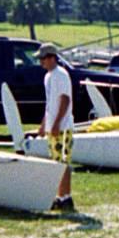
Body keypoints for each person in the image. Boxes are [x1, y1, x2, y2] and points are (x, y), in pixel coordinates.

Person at [36, 43, 75, 212]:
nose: (41, 62)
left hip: (63, 127)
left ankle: (66, 197)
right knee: (56, 161)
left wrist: (58, 123)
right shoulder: (48, 77)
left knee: (63, 162)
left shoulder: (61, 75)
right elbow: (49, 104)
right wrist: (44, 123)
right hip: (53, 126)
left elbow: (65, 100)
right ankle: (60, 196)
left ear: (52, 57)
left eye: (43, 58)